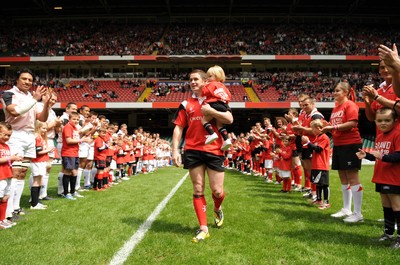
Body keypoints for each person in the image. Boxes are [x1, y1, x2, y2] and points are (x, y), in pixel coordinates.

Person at [172, 69, 234, 243]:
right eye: (190, 80)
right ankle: (203, 228)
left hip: (214, 149)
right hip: (192, 149)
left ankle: (217, 207)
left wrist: (211, 111)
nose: (192, 82)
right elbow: (178, 127)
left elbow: (229, 119)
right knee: (198, 188)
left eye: (196, 79)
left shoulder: (215, 99)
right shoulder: (185, 104)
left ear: (205, 81)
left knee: (217, 190)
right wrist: (175, 150)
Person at [1, 68, 50, 220]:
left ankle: (15, 207)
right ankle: (7, 212)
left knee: (22, 172)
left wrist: (46, 104)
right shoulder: (9, 94)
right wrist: (35, 100)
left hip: (29, 136)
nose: (28, 82)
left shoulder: (30, 96)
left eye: (30, 80)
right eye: (24, 79)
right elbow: (14, 112)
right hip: (15, 134)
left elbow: (41, 118)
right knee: (14, 173)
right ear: (17, 80)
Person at [356, 108, 400, 248]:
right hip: (381, 176)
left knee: (397, 207)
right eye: (380, 120)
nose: (383, 123)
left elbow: (398, 155)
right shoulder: (380, 136)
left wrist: (384, 157)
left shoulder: (397, 134)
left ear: (395, 121)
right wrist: (367, 155)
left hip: (394, 178)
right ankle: (388, 233)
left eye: (387, 120)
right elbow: (378, 156)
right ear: (375, 121)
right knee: (386, 206)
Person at [322, 81, 363, 223]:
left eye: (338, 91)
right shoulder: (336, 108)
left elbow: (352, 123)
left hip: (351, 143)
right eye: (334, 90)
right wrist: (329, 126)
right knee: (343, 176)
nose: (334, 93)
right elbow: (336, 126)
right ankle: (347, 208)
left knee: (352, 176)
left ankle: (358, 213)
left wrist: (333, 127)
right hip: (339, 144)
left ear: (346, 92)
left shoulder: (350, 105)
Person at [201, 65, 233, 151]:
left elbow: (204, 93)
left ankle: (212, 134)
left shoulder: (212, 84)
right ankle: (226, 139)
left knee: (204, 120)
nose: (208, 78)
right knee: (220, 124)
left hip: (214, 103)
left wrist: (204, 85)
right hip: (224, 104)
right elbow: (229, 97)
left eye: (210, 76)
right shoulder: (224, 86)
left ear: (217, 76)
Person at [302, 119, 331, 210]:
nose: (312, 131)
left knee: (324, 184)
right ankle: (319, 199)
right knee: (318, 183)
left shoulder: (324, 137)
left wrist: (308, 142)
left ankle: (326, 202)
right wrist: (308, 144)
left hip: (322, 164)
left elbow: (318, 149)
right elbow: (314, 149)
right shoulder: (317, 137)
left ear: (318, 128)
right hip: (316, 164)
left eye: (313, 129)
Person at [61, 112, 90, 200]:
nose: (76, 121)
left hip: (75, 152)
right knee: (68, 172)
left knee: (74, 172)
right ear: (69, 119)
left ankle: (73, 191)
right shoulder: (68, 127)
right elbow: (69, 140)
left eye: (77, 119)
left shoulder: (74, 128)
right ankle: (66, 193)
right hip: (68, 153)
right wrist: (82, 140)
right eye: (74, 119)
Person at [0, 122, 22, 229]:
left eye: (9, 135)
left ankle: (2, 219)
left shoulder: (7, 146)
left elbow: (7, 161)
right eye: (4, 134)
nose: (6, 137)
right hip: (0, 176)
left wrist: (13, 160)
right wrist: (10, 158)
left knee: (5, 197)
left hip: (7, 174)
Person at [30, 121, 53, 210]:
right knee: (36, 181)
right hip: (37, 161)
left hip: (41, 161)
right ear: (38, 127)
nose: (45, 130)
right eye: (43, 128)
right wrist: (48, 150)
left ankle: (37, 202)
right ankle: (34, 204)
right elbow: (38, 152)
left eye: (46, 128)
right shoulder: (37, 137)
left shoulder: (41, 137)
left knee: (39, 181)